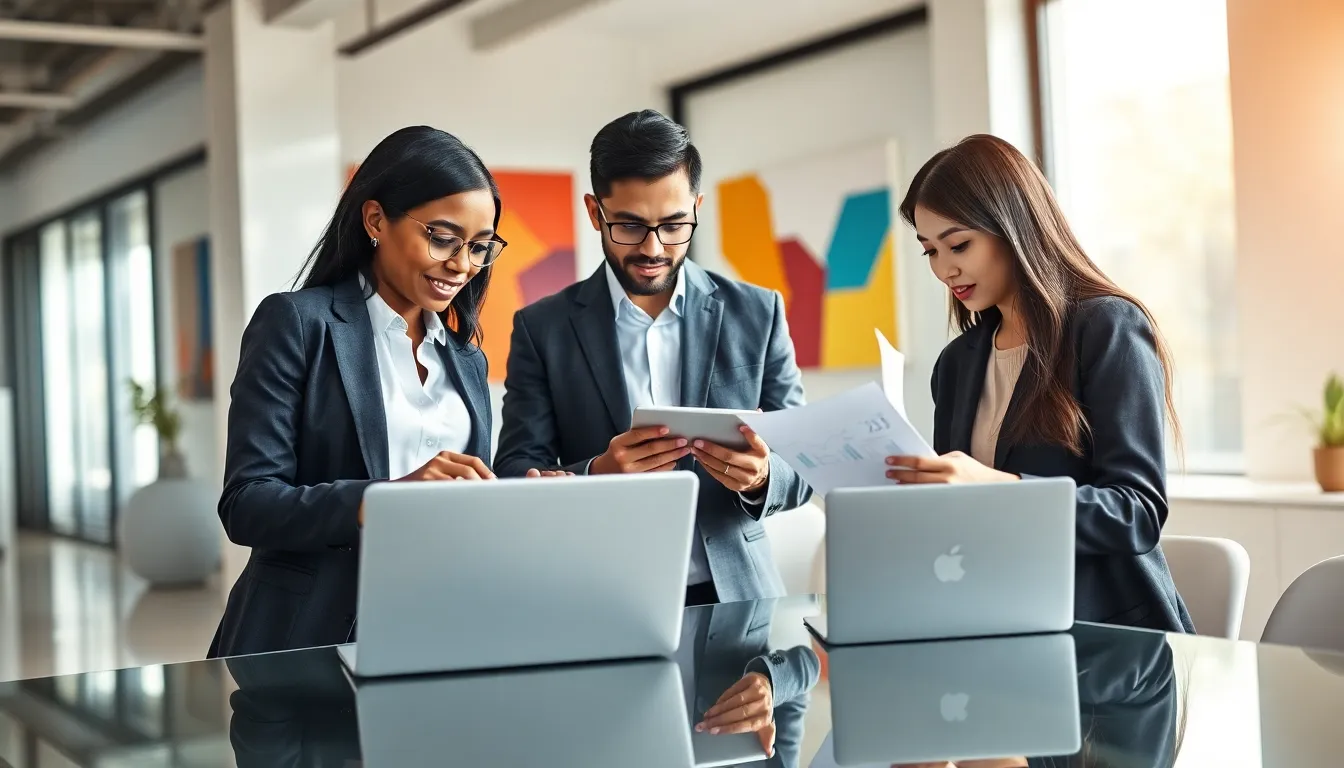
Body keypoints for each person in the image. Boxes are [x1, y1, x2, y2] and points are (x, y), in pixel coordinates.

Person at [208, 126, 562, 659]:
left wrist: (551, 488)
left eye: (479, 247)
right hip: (312, 637)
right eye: (442, 238)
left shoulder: (466, 358)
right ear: (376, 220)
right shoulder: (299, 324)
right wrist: (385, 499)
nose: (462, 265)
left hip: (445, 629)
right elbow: (247, 504)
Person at [494, 109, 812, 606]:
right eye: (629, 226)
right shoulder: (542, 329)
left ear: (697, 207)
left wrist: (764, 476)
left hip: (738, 601)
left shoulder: (758, 312)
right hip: (598, 600)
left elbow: (806, 463)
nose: (653, 248)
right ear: (595, 212)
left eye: (674, 225)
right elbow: (515, 471)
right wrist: (596, 474)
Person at [886, 134, 1194, 633]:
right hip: (996, 624)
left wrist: (1002, 490)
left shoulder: (1106, 328)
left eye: (959, 244)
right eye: (930, 252)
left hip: (1107, 639)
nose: (946, 269)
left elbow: (1136, 512)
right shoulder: (957, 365)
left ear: (1013, 228)